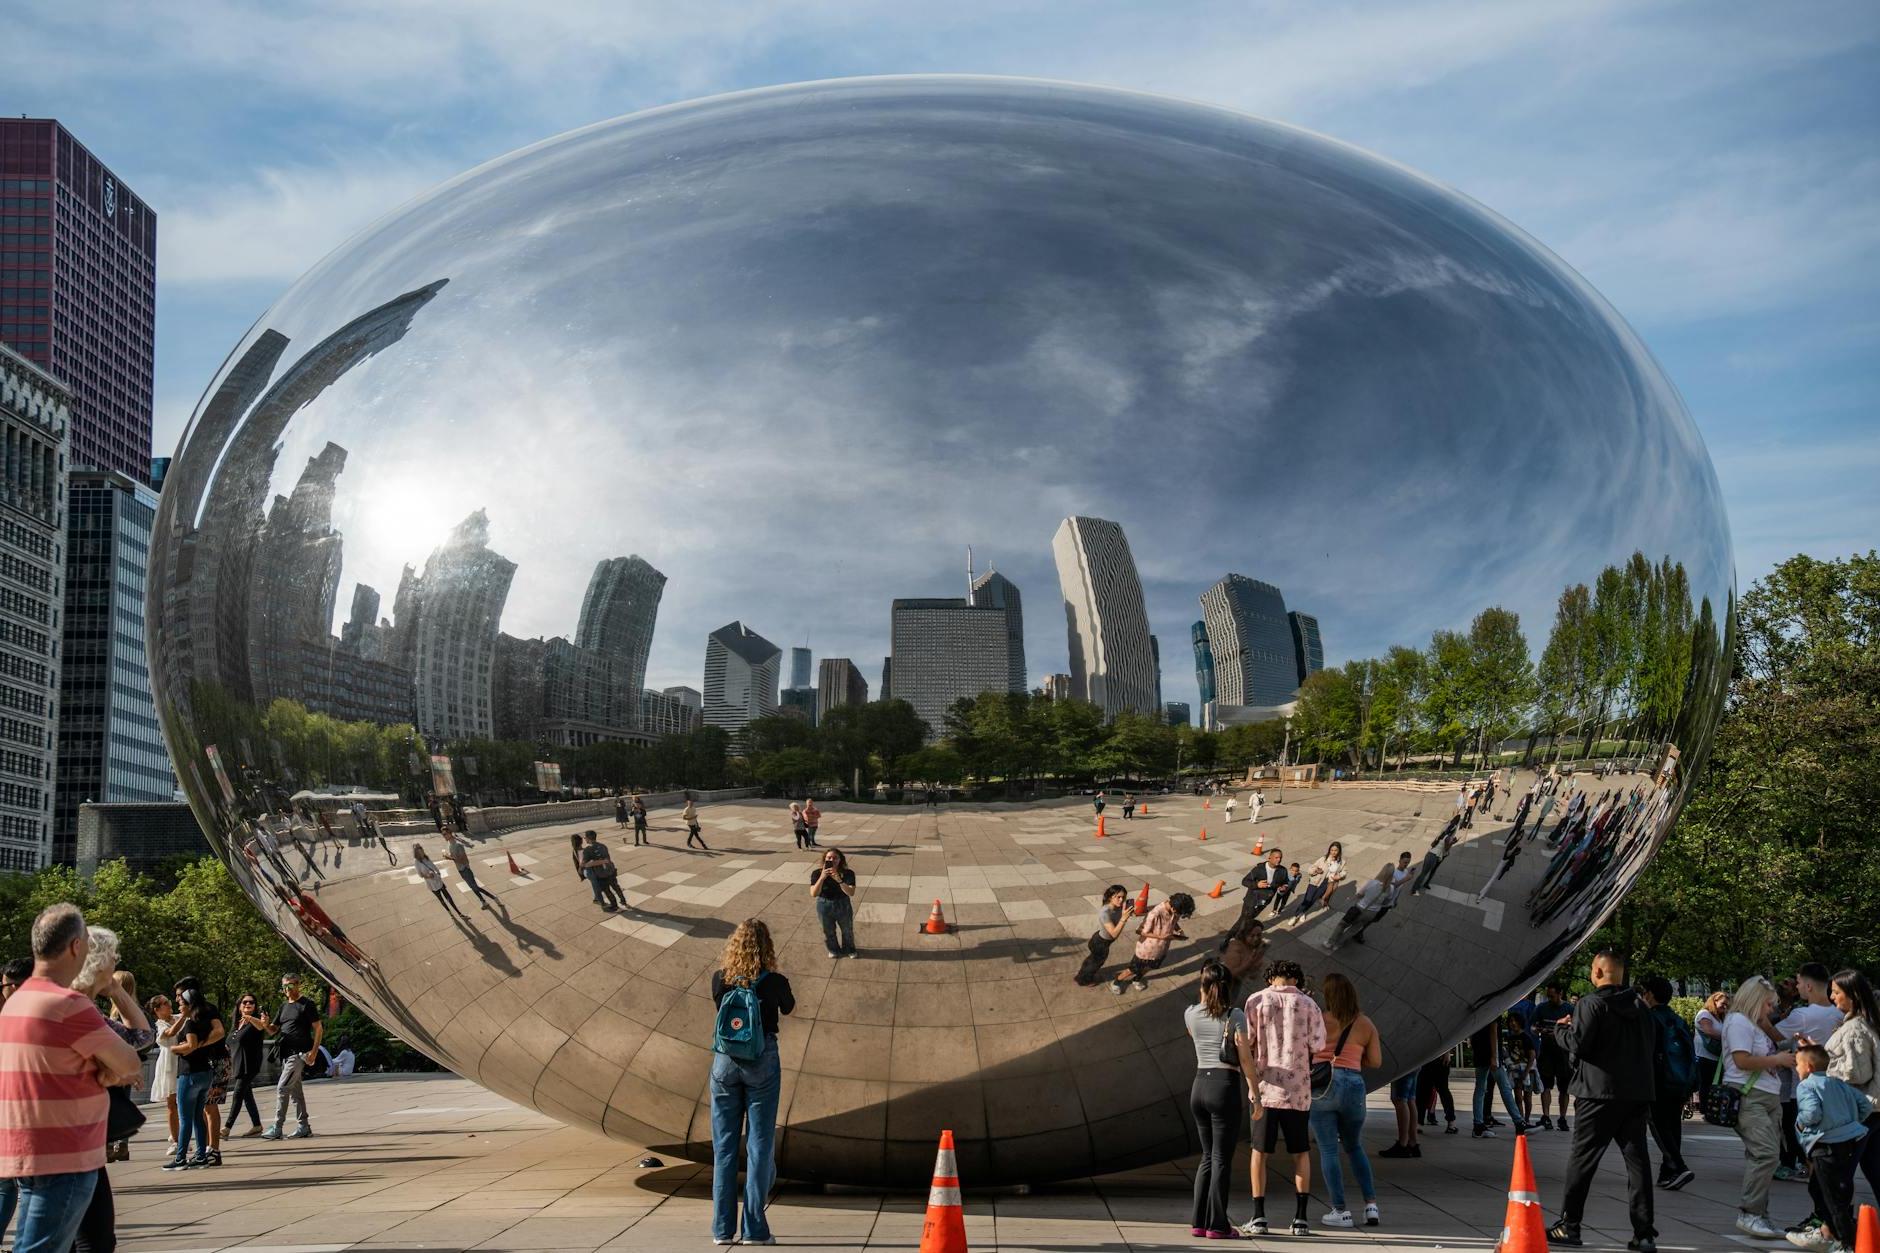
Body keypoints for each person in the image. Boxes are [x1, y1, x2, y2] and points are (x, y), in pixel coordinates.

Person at [0, 906, 142, 1253]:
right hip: (67, 1152)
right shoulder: (69, 1005)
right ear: (76, 947)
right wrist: (104, 1071)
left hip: (24, 1150)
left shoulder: (16, 1004)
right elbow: (129, 1063)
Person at [1544, 950, 1657, 1252]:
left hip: (1597, 1094)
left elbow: (1579, 1046)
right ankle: (1643, 1233)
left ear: (1597, 973)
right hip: (1635, 1094)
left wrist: (1560, 1030)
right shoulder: (1641, 1007)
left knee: (1583, 1161)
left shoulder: (1592, 1004)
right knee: (1638, 1164)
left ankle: (1570, 1226)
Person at [710, 920, 793, 1247]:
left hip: (725, 1064)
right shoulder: (773, 981)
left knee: (724, 1149)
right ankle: (755, 1230)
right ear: (766, 946)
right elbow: (788, 1007)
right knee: (759, 1146)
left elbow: (719, 1006)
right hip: (762, 1060)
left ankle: (721, 1229)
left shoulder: (720, 978)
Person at [1237, 958, 1325, 1238]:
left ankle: (1259, 1216)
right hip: (1298, 1091)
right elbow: (1319, 1044)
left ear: (1270, 978)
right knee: (1300, 1153)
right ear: (1296, 980)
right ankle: (1300, 1219)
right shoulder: (1309, 1005)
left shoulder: (1255, 1000)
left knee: (1259, 1153)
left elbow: (1246, 1041)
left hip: (1265, 1090)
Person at [1722, 974, 1796, 1241]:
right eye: (1767, 1004)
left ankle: (1758, 1215)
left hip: (1764, 1096)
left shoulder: (1750, 1022)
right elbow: (1742, 1060)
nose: (1771, 1009)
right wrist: (1776, 1058)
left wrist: (1774, 1051)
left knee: (1764, 1156)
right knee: (1765, 1154)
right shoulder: (1739, 1022)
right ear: (1755, 1001)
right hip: (1749, 1095)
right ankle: (1751, 1214)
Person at [1312, 972, 1383, 1227]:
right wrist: (1353, 1056)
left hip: (1322, 1086)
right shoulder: (1365, 1024)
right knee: (1354, 1147)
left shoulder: (1318, 1020)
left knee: (1329, 1150)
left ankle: (1340, 1210)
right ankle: (1371, 1205)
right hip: (1353, 1083)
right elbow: (1375, 1062)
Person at [1184, 960, 1247, 1239]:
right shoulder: (1236, 1016)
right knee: (1222, 1158)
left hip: (1199, 1086)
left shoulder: (1190, 1013)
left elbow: (1196, 1036)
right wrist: (1255, 1091)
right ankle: (1218, 1225)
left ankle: (1199, 1222)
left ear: (1203, 985)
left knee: (1207, 1157)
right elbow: (1244, 1057)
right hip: (1225, 1085)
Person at [1793, 1043, 1871, 1253]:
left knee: (1831, 1197)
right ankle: (1833, 1233)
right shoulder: (1839, 1084)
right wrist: (1851, 1123)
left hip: (1824, 1144)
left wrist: (1800, 1123)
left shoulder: (1807, 1086)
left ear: (1808, 1067)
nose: (1796, 1069)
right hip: (1847, 1143)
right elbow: (1866, 1106)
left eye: (1797, 1065)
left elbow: (1812, 1114)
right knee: (1821, 1188)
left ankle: (1846, 1242)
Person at [1774, 964, 1844, 1189]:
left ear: (1809, 985)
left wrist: (1760, 1020)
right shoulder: (1839, 1013)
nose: (1797, 987)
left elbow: (1776, 1036)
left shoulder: (1802, 1015)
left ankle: (1813, 1179)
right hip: (1833, 1084)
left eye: (1798, 982)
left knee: (1802, 1134)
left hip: (1804, 1084)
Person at [1817, 969, 1880, 1204]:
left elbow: (1857, 1072)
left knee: (1840, 1172)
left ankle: (1837, 1228)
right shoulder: (1868, 1022)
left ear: (1852, 995)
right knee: (1874, 1169)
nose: (1832, 997)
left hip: (1859, 1110)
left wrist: (1823, 1069)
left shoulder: (1854, 1028)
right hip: (1872, 1109)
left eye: (1836, 992)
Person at [1639, 975, 1696, 1191]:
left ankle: (1677, 1166)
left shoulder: (1650, 1018)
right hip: (1678, 1081)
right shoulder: (1676, 1019)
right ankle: (1667, 1172)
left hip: (1657, 1080)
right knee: (1673, 1124)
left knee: (1658, 1124)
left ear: (1650, 994)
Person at [166, 979, 226, 1170]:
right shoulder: (196, 1019)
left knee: (194, 1115)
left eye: (179, 997)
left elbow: (218, 1032)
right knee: (201, 1113)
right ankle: (202, 1154)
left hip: (195, 1070)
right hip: (206, 1069)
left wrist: (179, 1048)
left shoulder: (199, 1017)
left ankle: (185, 1156)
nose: (176, 1000)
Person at [263, 972, 322, 1141]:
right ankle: (303, 1126)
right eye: (284, 987)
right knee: (296, 1091)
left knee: (282, 1088)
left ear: (297, 985)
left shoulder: (306, 1004)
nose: (287, 989)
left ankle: (277, 1126)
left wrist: (314, 1051)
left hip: (298, 1054)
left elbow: (318, 1028)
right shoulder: (283, 1007)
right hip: (285, 1054)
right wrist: (266, 1024)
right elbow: (273, 1030)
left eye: (290, 986)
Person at [1109, 893, 1195, 995]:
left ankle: (1136, 980)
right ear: (1174, 908)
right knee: (1132, 969)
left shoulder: (1175, 910)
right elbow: (1140, 931)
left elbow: (1174, 921)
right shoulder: (1155, 913)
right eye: (1179, 913)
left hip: (1161, 949)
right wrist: (1161, 937)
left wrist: (1179, 930)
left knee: (1149, 968)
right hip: (1146, 950)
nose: (1178, 916)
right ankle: (1116, 981)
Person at [1471, 1016, 1529, 1137]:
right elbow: (1493, 1030)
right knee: (1505, 1088)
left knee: (1480, 1088)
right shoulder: (1494, 1007)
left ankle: (1478, 1125)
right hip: (1491, 1054)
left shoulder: (1480, 1008)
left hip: (1479, 1052)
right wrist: (1494, 1056)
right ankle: (1519, 1122)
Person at [223, 993, 268, 1139]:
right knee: (247, 1095)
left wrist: (250, 1017)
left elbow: (262, 1026)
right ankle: (257, 1125)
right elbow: (229, 1043)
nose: (248, 1004)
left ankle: (227, 1127)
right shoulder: (237, 1023)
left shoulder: (255, 1022)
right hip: (238, 1063)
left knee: (238, 1093)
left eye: (251, 1002)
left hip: (250, 1064)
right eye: (244, 1002)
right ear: (239, 1005)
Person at [1534, 981, 1574, 1130]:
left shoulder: (1569, 1008)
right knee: (1546, 1086)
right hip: (1546, 1053)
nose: (1550, 999)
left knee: (1564, 1088)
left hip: (1563, 1054)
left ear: (1560, 993)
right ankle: (1546, 1116)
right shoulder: (1541, 1008)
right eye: (1548, 996)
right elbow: (1532, 1026)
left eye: (1552, 996)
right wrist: (1539, 1030)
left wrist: (1563, 1031)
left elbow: (1576, 1028)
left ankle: (1562, 1118)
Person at [1074, 885, 1130, 987]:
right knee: (1095, 963)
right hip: (1100, 943)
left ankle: (1083, 974)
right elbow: (1114, 933)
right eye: (1118, 897)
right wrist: (1124, 919)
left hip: (1103, 941)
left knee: (1092, 960)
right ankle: (1084, 980)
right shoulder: (1105, 912)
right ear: (1110, 897)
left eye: (1123, 897)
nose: (1121, 900)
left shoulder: (1119, 907)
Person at [146, 994, 181, 1155]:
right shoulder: (160, 1025)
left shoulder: (178, 1017)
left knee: (186, 1103)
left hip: (183, 1062)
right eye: (165, 1003)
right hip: (169, 1065)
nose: (170, 1005)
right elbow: (166, 1035)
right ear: (157, 1009)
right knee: (171, 1103)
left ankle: (181, 1137)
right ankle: (176, 1140)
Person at [808, 848, 857, 959]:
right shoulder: (817, 873)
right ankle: (833, 949)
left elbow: (851, 892)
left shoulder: (848, 873)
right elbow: (813, 893)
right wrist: (822, 878)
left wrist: (839, 879)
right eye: (829, 857)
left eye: (835, 858)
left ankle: (849, 949)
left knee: (847, 929)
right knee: (828, 930)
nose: (832, 859)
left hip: (843, 904)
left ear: (840, 860)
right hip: (824, 905)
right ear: (825, 859)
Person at [443, 828, 500, 910]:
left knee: (475, 887)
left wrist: (450, 858)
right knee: (472, 887)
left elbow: (464, 860)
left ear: (450, 833)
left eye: (445, 834)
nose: (444, 836)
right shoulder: (449, 844)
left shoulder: (458, 845)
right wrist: (447, 855)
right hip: (460, 870)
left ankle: (494, 897)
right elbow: (454, 856)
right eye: (443, 834)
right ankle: (483, 901)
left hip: (465, 869)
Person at [1236, 849, 1289, 933]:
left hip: (1265, 901)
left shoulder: (1283, 870)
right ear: (1269, 858)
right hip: (1252, 899)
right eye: (1276, 857)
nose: (1279, 860)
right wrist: (1257, 885)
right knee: (1243, 918)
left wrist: (1283, 887)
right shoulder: (1259, 869)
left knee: (1250, 917)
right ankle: (1232, 936)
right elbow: (1245, 881)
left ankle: (1243, 931)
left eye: (1280, 858)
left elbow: (1285, 882)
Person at [413, 845, 471, 920]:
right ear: (416, 854)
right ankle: (450, 913)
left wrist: (438, 872)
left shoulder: (426, 857)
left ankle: (459, 913)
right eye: (420, 852)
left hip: (438, 880)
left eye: (422, 851)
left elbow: (433, 865)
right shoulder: (416, 862)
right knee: (441, 899)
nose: (422, 853)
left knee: (448, 896)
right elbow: (420, 875)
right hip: (431, 884)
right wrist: (428, 876)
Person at [1694, 989, 1729, 1115]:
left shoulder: (1719, 1017)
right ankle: (1705, 1110)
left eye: (1726, 1005)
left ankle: (1713, 1110)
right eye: (1723, 1003)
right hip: (1705, 1056)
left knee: (1715, 1085)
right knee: (1706, 1084)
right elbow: (1709, 1031)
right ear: (1714, 1001)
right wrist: (1728, 1037)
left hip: (1716, 1057)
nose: (1725, 1007)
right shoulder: (1704, 1014)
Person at [1295, 842, 1346, 915]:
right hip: (1316, 881)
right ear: (1329, 850)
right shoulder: (1323, 859)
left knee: (1313, 900)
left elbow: (1344, 872)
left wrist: (1340, 875)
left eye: (1336, 850)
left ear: (1339, 851)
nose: (1333, 852)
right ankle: (1296, 914)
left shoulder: (1342, 862)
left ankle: (1302, 912)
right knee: (1308, 899)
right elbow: (1310, 869)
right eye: (1332, 850)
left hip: (1326, 883)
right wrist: (1316, 870)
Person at [1418, 1052, 1458, 1134]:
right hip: (1437, 1058)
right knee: (1442, 1091)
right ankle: (1451, 1123)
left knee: (1424, 1092)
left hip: (1431, 1058)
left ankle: (1418, 1123)